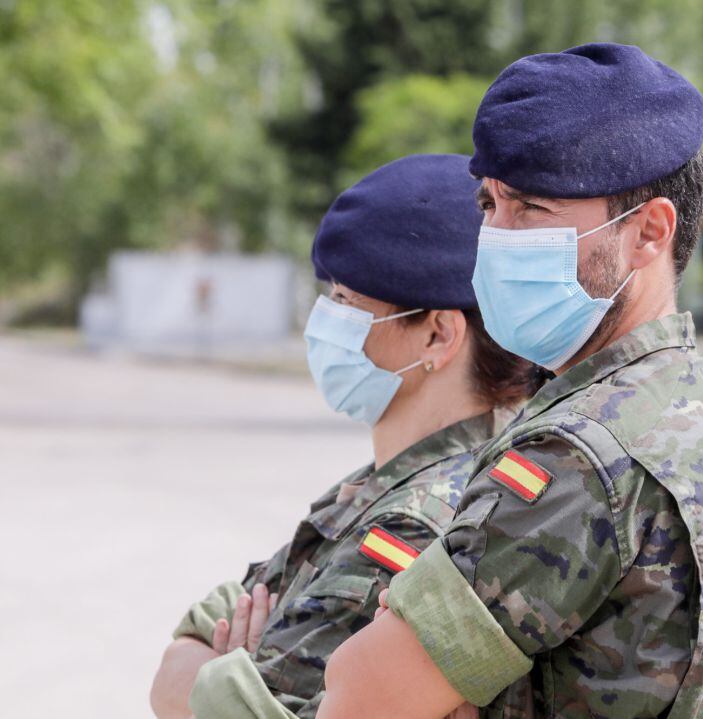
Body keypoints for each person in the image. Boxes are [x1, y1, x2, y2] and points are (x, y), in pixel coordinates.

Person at [317, 44, 703, 719]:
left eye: (533, 210)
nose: (496, 235)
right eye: (490, 204)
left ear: (648, 233)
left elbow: (355, 697)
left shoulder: (581, 454)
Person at [148, 154, 541, 719]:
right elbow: (182, 658)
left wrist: (212, 677)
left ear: (436, 335)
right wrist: (222, 679)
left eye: (346, 303)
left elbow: (199, 694)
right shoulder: (385, 480)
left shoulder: (421, 519)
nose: (323, 321)